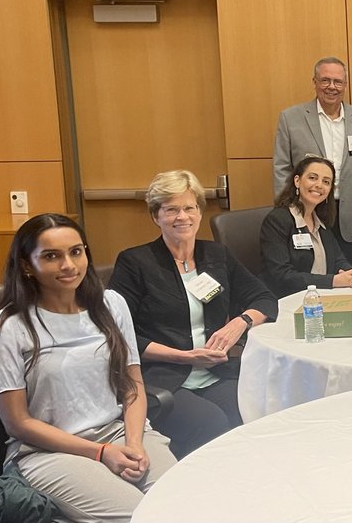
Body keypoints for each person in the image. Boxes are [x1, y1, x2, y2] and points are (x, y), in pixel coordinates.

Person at [0, 214, 177, 522]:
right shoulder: (9, 326)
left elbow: (132, 385)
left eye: (76, 251)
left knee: (185, 502)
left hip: (121, 432)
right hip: (48, 453)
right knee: (141, 517)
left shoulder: (111, 304)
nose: (69, 265)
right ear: (26, 265)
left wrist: (135, 443)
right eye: (51, 256)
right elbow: (17, 423)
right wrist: (99, 453)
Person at [109, 170, 278, 458]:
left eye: (189, 207)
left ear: (199, 212)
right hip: (163, 377)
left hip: (215, 371)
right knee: (213, 424)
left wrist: (240, 322)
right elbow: (117, 335)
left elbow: (264, 298)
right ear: (156, 216)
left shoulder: (216, 255)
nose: (182, 217)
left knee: (261, 410)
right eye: (171, 209)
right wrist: (185, 356)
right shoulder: (135, 263)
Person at [274, 56, 352, 272]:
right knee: (309, 274)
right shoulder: (291, 118)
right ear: (314, 82)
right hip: (307, 210)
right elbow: (281, 169)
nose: (331, 87)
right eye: (325, 80)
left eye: (338, 81)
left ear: (345, 85)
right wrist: (288, 214)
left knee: (351, 278)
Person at [261, 155, 352, 298]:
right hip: (289, 299)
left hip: (322, 297)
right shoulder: (277, 220)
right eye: (312, 178)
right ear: (297, 181)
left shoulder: (321, 220)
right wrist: (333, 281)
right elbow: (282, 275)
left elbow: (338, 259)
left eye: (326, 181)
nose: (319, 185)